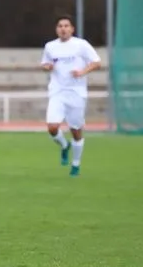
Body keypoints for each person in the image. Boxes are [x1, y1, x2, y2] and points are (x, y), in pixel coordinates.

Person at [40, 15, 101, 177]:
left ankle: (76, 164)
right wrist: (47, 67)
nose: (63, 29)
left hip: (76, 93)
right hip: (57, 92)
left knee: (76, 131)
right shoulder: (50, 46)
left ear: (72, 29)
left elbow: (96, 62)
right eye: (60, 26)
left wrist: (82, 72)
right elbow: (45, 64)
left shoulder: (81, 45)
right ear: (57, 29)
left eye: (66, 26)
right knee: (52, 127)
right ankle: (64, 145)